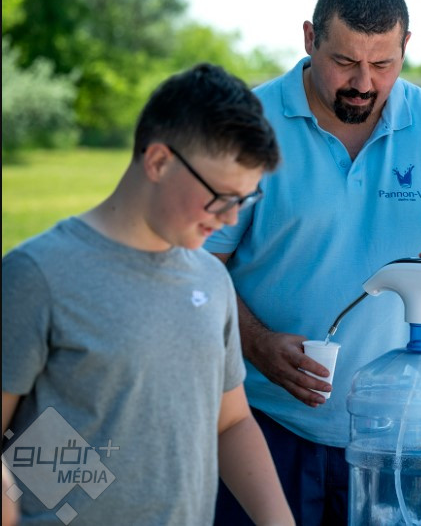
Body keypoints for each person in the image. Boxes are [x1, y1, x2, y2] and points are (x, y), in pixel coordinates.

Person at [205, 0, 421, 524]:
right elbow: (198, 265)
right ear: (310, 38)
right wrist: (255, 342)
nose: (364, 83)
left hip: (401, 434)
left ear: (406, 47)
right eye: (345, 61)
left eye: (383, 64)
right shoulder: (247, 124)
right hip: (263, 423)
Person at [1, 64, 294, 525]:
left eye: (245, 199)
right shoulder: (39, 275)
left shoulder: (210, 280)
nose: (231, 219)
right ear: (158, 162)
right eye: (221, 197)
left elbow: (231, 422)